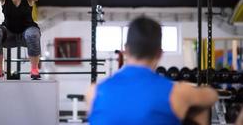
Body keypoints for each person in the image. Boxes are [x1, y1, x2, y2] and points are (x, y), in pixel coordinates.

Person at [86, 15, 218, 125]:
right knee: (198, 109)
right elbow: (212, 96)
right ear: (160, 53)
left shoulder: (94, 92)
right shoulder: (178, 92)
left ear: (125, 50)